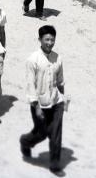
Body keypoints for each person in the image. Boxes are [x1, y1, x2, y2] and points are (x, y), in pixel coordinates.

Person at [20, 25, 66, 174]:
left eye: (52, 40)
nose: (50, 43)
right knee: (41, 133)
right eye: (47, 40)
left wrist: (64, 99)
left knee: (56, 134)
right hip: (40, 104)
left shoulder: (58, 58)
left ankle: (55, 165)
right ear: (40, 40)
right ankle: (25, 141)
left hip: (56, 102)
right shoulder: (33, 60)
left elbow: (60, 81)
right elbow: (30, 85)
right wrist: (37, 106)